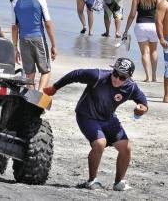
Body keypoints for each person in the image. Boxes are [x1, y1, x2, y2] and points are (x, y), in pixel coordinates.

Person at [43, 58, 148, 191]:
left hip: (108, 119)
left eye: (122, 77)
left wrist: (141, 109)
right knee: (100, 143)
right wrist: (54, 87)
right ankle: (92, 180)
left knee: (126, 147)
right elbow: (75, 74)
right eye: (115, 74)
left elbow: (143, 102)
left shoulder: (131, 87)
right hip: (87, 116)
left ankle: (119, 182)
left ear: (128, 78)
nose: (117, 79)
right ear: (112, 71)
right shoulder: (98, 76)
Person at [11, 0, 57, 91]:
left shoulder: (15, 2)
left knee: (29, 74)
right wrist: (54, 45)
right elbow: (47, 23)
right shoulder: (40, 0)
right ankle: (40, 94)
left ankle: (31, 98)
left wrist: (15, 48)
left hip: (23, 40)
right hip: (38, 38)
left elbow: (14, 27)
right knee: (46, 71)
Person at [123, 0, 159, 82]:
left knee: (145, 53)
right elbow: (160, 12)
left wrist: (126, 29)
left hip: (141, 26)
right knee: (154, 51)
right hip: (154, 26)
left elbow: (132, 15)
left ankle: (147, 77)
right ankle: (154, 76)